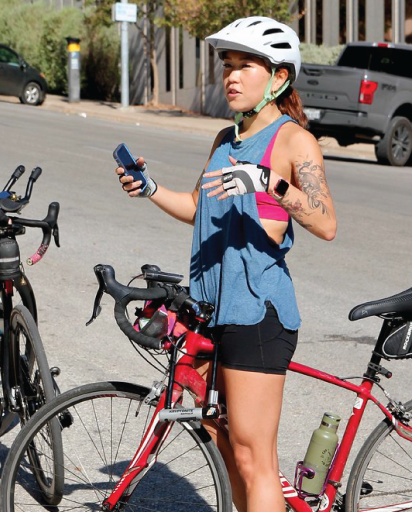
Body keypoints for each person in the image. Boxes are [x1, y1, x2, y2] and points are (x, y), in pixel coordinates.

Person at [115, 16, 336, 512]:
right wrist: (149, 189)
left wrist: (264, 181)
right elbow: (198, 207)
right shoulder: (223, 141)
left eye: (245, 67)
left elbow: (325, 222)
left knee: (254, 456)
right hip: (212, 309)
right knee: (225, 444)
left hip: (258, 311)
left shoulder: (292, 140)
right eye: (227, 66)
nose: (231, 77)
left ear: (278, 78)